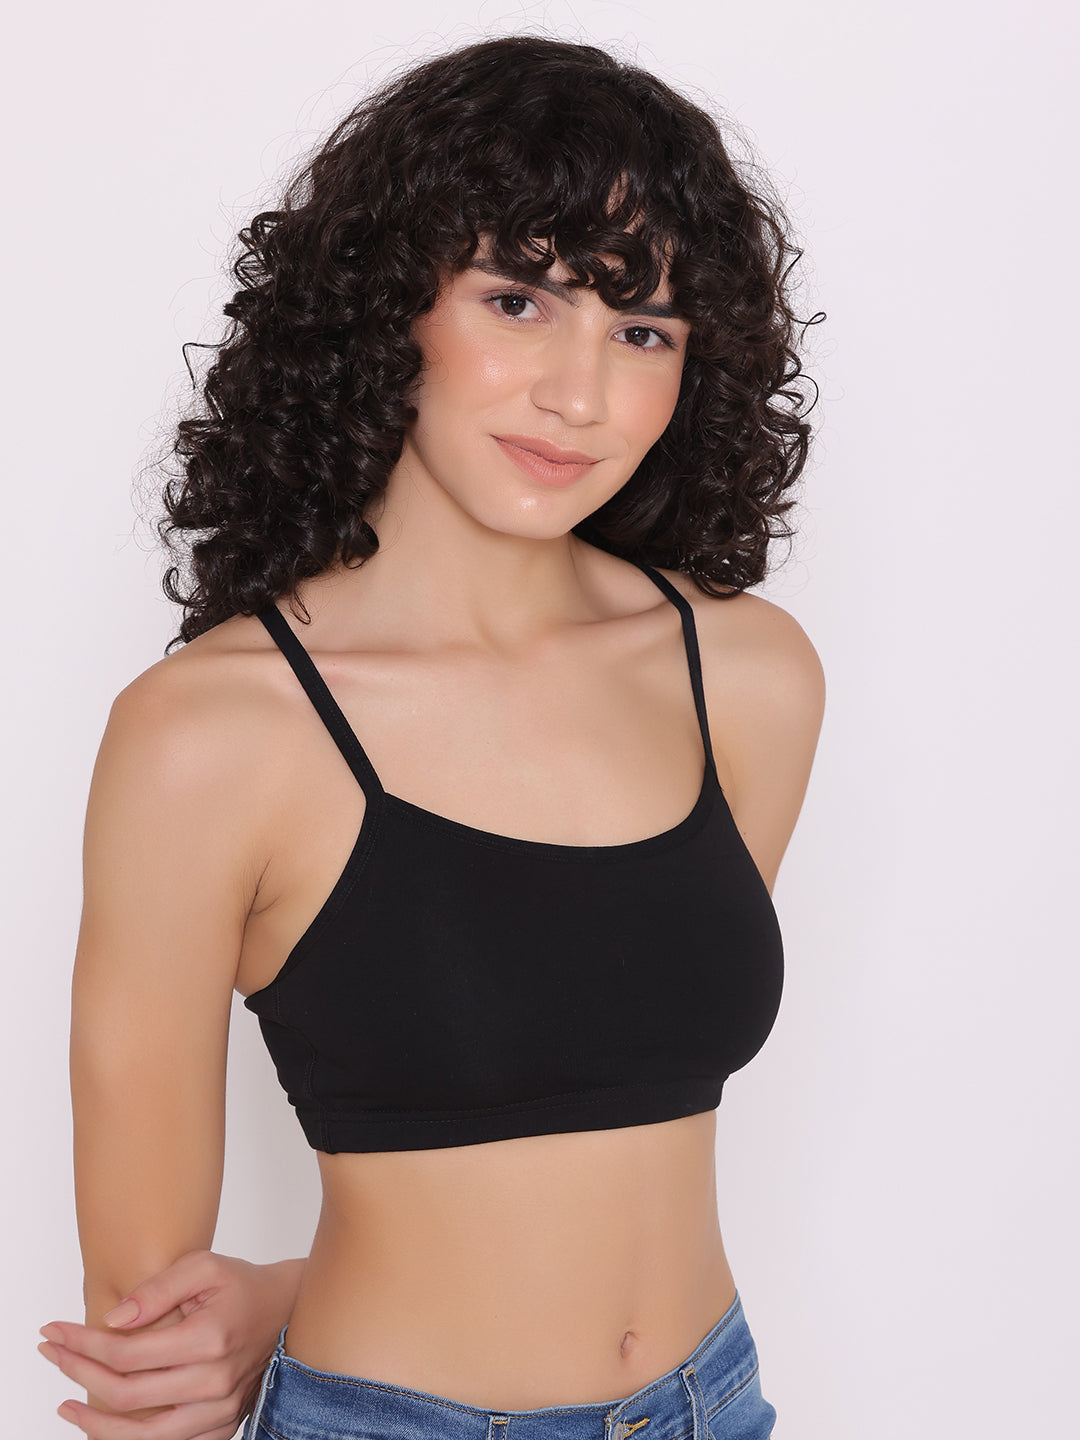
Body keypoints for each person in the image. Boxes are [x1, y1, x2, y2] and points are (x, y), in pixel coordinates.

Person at [37, 34, 825, 1440]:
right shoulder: (213, 737)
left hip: (717, 1404)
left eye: (642, 331)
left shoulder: (746, 675)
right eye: (519, 302)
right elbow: (153, 1354)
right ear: (386, 303)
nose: (579, 394)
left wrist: (283, 1291)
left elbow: (589, 1058)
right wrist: (242, 1330)